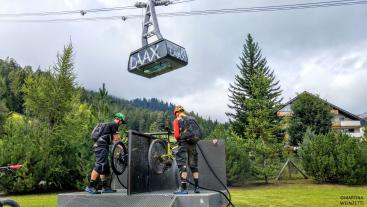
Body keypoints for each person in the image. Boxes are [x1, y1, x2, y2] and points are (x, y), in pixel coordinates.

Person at [85, 113, 127, 194]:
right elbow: (117, 139)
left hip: (102, 146)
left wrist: (122, 147)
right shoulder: (114, 124)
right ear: (119, 119)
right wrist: (125, 148)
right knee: (100, 165)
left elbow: (114, 142)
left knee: (105, 167)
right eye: (122, 121)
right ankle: (90, 186)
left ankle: (105, 187)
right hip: (101, 146)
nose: (121, 123)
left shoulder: (109, 126)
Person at [172, 105, 201, 194]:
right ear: (183, 111)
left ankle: (184, 189)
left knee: (183, 165)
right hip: (193, 144)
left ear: (176, 113)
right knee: (193, 165)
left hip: (183, 144)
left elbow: (177, 136)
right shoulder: (192, 119)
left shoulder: (177, 120)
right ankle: (197, 188)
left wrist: (179, 139)